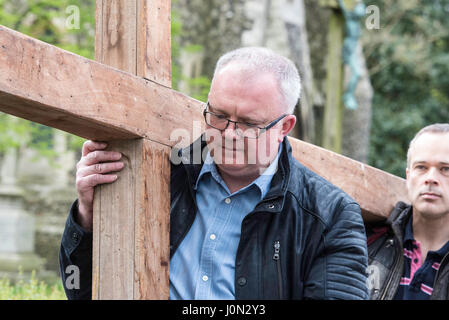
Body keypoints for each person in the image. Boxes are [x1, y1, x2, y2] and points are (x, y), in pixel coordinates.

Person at [59, 47, 368, 300]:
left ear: (284, 128)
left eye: (247, 123)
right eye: (218, 116)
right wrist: (88, 214)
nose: (228, 134)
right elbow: (84, 292)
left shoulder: (332, 216)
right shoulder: (160, 171)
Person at [366, 123, 449, 300]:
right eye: (421, 167)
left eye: (445, 169)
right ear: (408, 176)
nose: (431, 179)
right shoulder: (367, 240)